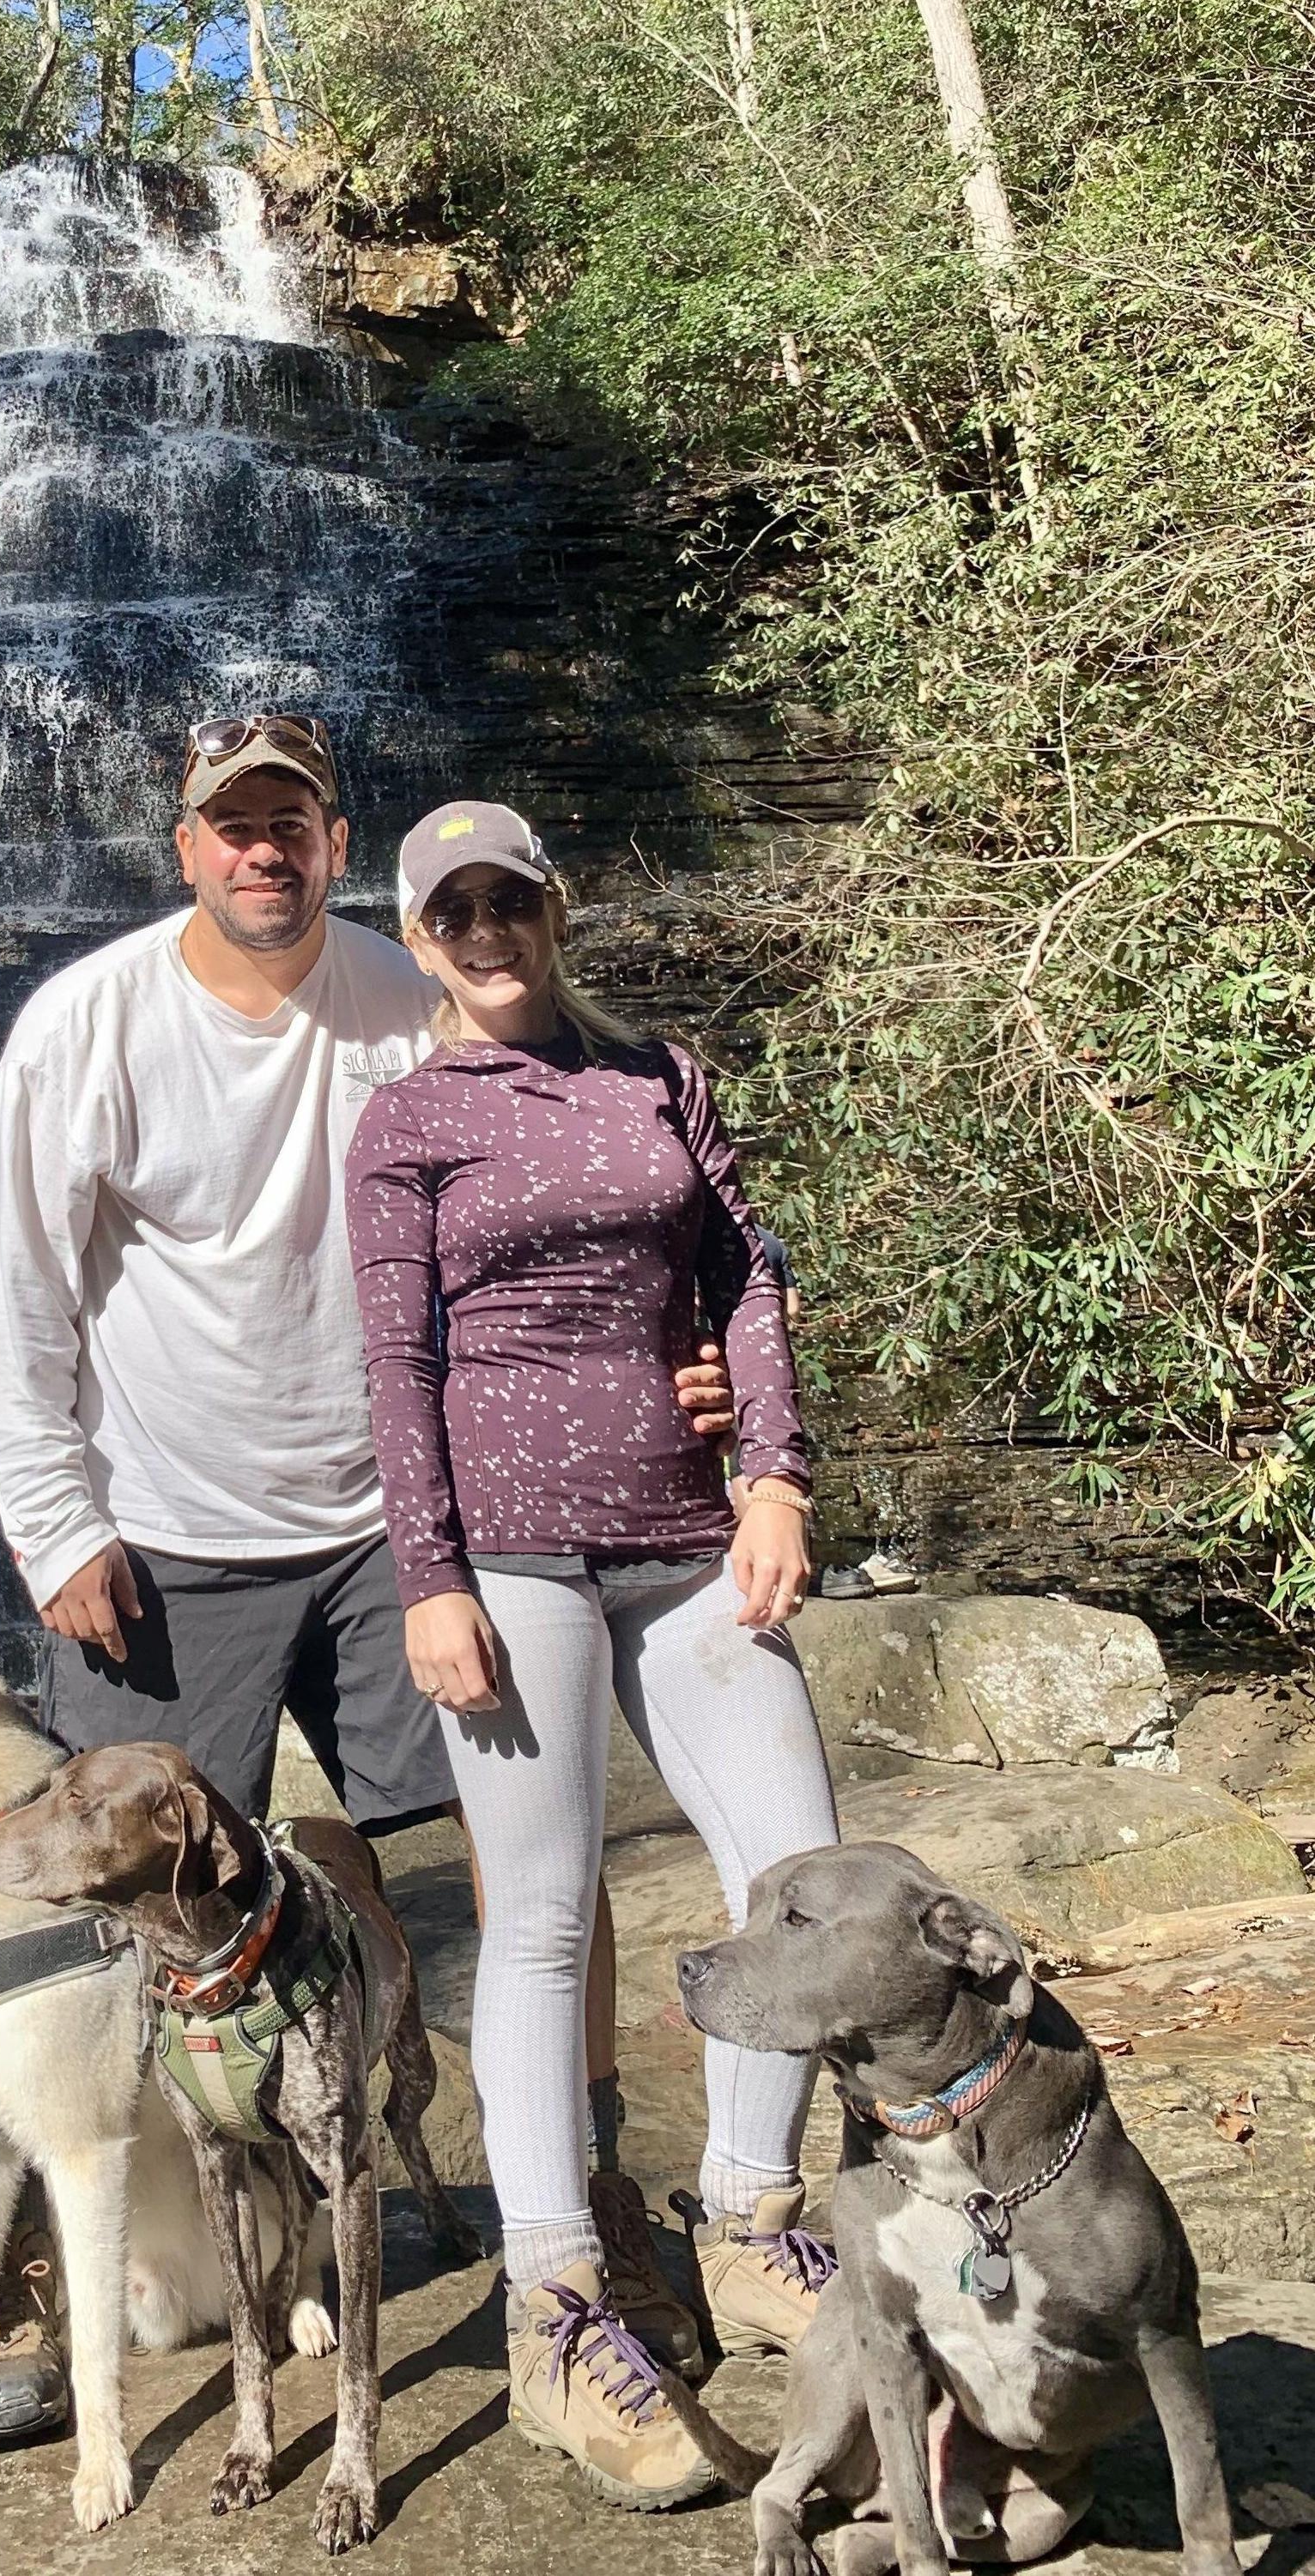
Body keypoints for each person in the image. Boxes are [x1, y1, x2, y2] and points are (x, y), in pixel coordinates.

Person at [0, 721, 738, 2432]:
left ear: (331, 842)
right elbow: (19, 1292)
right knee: (106, 1904)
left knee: (516, 1857)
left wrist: (692, 1360)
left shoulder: (414, 991)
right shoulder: (83, 1027)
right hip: (165, 1538)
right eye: (231, 825)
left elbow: (593, 1179)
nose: (262, 852)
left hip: (415, 1517)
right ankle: (50, 2279)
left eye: (291, 823)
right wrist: (55, 1520)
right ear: (184, 846)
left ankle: (591, 2206)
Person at [346, 798, 844, 2508]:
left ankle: (748, 2216)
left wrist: (771, 1470)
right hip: (509, 1554)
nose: (485, 930)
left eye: (510, 899)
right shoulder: (405, 1118)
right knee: (542, 1914)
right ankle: (552, 2302)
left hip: (685, 1536)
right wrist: (428, 1576)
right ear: (416, 939)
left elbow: (744, 1272)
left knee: (798, 1874)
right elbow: (394, 1362)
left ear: (551, 909)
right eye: (450, 911)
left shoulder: (655, 1074)